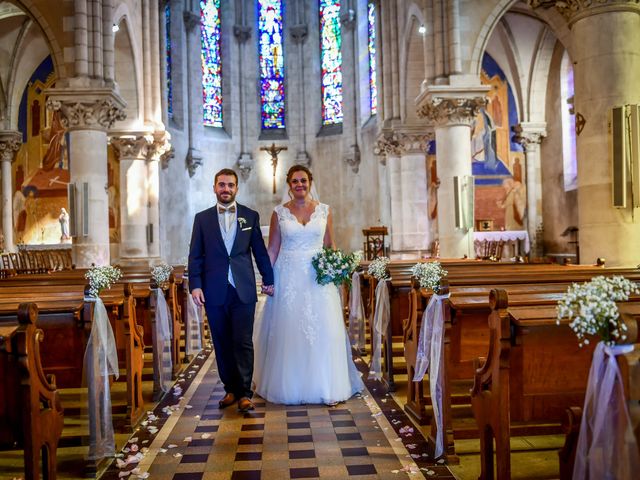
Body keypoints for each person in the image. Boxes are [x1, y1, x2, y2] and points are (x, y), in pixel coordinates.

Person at [253, 165, 364, 405]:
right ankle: (290, 385)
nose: (299, 185)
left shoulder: (324, 211)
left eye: (303, 180)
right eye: (295, 181)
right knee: (289, 328)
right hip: (288, 277)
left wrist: (336, 269)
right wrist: (267, 279)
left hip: (318, 278)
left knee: (323, 328)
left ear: (310, 182)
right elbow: (272, 249)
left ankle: (325, 384)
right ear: (289, 185)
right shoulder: (279, 213)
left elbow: (329, 245)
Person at [188, 168, 274, 413]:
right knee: (222, 342)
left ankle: (245, 393)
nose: (226, 189)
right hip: (214, 290)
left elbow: (259, 251)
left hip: (243, 289)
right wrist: (195, 285)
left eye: (230, 185)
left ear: (237, 188)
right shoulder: (202, 219)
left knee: (243, 342)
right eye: (222, 185)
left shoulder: (250, 215)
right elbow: (195, 255)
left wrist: (269, 279)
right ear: (214, 187)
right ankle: (231, 390)